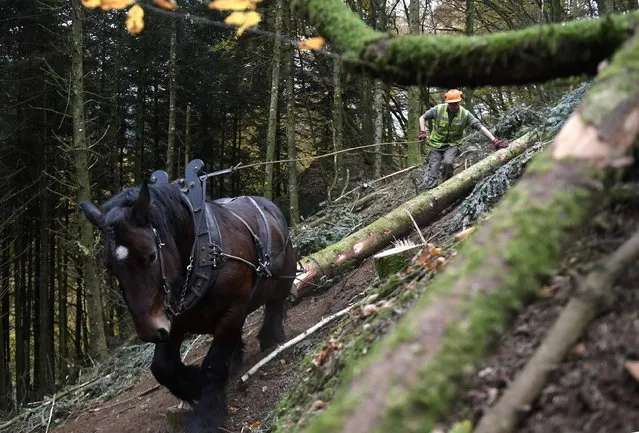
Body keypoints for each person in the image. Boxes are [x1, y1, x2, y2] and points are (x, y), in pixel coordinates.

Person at [418, 89, 507, 189]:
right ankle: (431, 189)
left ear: (460, 102)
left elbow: (480, 127)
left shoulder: (465, 114)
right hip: (435, 143)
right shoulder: (438, 109)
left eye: (455, 103)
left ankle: (446, 187)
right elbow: (422, 117)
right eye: (451, 104)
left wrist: (494, 140)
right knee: (434, 166)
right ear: (447, 102)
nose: (453, 106)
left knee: (448, 163)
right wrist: (423, 131)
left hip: (452, 144)